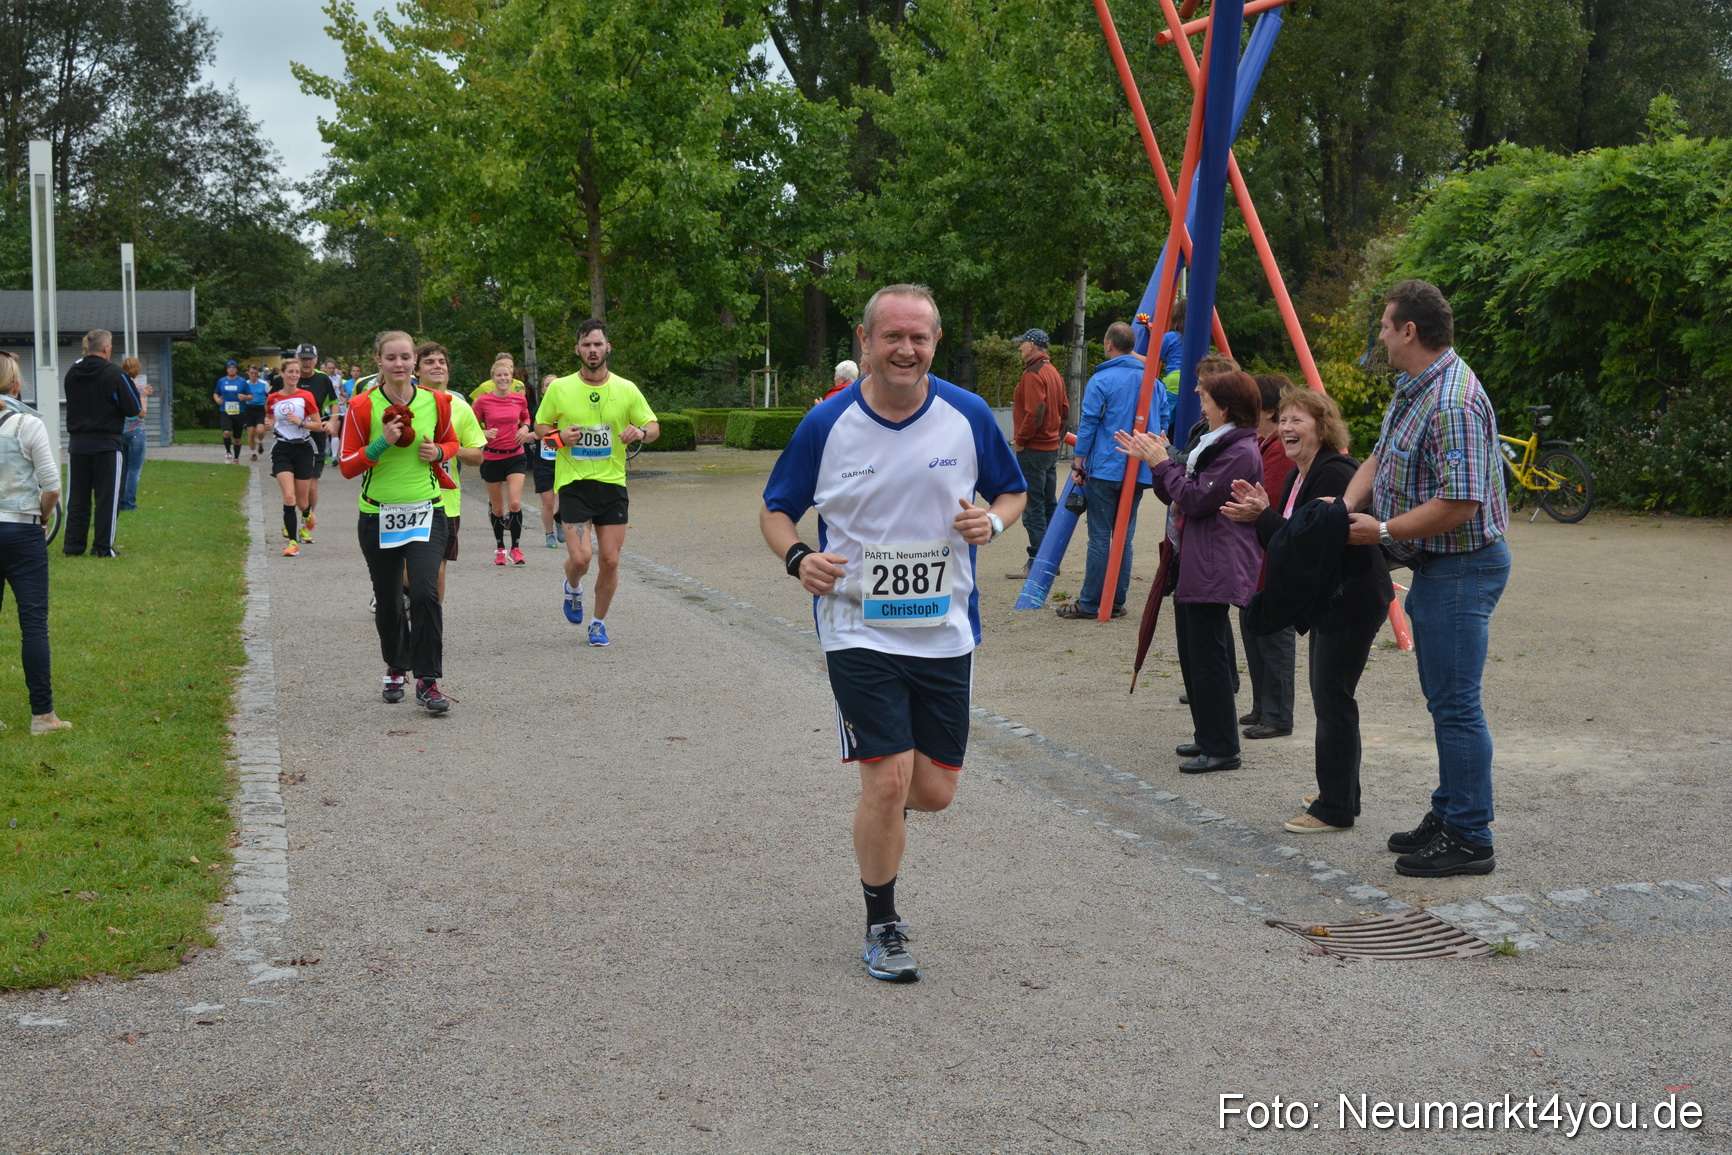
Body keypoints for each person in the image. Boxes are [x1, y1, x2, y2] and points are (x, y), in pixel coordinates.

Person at [760, 284, 1027, 984]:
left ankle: (887, 797)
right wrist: (798, 558)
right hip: (857, 626)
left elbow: (1013, 491)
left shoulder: (967, 414)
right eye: (892, 337)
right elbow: (776, 509)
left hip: (945, 630)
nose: (905, 349)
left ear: (935, 342)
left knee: (933, 790)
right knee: (886, 779)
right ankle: (883, 921)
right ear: (865, 340)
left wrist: (991, 524)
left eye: (919, 337)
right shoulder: (827, 423)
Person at [1343, 279, 1510, 877]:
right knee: (1447, 702)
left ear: (1409, 331)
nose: (1382, 336)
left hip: (1461, 567)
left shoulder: (1452, 401)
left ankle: (1470, 837)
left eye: (1386, 326)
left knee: (1457, 705)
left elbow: (1460, 504)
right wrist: (1341, 507)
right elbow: (1381, 455)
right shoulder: (1416, 390)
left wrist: (1381, 531)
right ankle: (1450, 812)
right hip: (1440, 566)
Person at [1224, 389, 1392, 833]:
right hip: (1334, 601)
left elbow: (1307, 546)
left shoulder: (1334, 474)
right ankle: (1342, 794)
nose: (1286, 428)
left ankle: (1334, 808)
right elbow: (1287, 544)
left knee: (1332, 699)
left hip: (1351, 600)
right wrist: (1261, 516)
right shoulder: (1300, 476)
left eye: (1298, 420)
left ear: (1322, 426)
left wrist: (1263, 516)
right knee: (1332, 698)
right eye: (1283, 420)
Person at [1115, 370, 1263, 773]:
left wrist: (1162, 462)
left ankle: (1223, 747)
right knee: (1192, 653)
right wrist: (1156, 460)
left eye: (1206, 394)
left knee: (1208, 657)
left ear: (1225, 406)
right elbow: (1177, 490)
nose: (1199, 397)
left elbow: (1195, 499)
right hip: (1196, 558)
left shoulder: (1239, 450)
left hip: (1214, 561)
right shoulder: (1212, 442)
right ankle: (1207, 736)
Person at [338, 330, 460, 713]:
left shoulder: (437, 402)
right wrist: (381, 444)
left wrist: (439, 450)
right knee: (390, 601)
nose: (400, 364)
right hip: (378, 515)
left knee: (425, 593)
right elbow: (345, 466)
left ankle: (428, 680)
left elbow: (452, 443)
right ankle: (395, 666)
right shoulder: (361, 406)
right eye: (391, 358)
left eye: (406, 357)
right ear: (379, 361)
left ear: (414, 361)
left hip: (426, 511)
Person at [534, 320, 659, 647]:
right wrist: (559, 437)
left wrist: (641, 432)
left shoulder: (626, 388)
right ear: (578, 349)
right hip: (574, 484)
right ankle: (572, 587)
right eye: (586, 345)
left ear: (607, 348)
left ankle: (598, 623)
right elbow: (540, 429)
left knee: (611, 560)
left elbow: (653, 426)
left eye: (598, 344)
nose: (592, 350)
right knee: (580, 559)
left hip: (612, 486)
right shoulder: (560, 388)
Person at [1057, 321, 1162, 620]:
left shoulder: (1102, 380)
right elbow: (1164, 417)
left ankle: (1091, 601)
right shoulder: (1152, 381)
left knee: (1100, 536)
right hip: (1140, 466)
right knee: (1124, 537)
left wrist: (1079, 461)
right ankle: (1116, 599)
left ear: (1108, 344)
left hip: (1107, 465)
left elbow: (1089, 423)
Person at [0, 352, 70, 733]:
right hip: (22, 529)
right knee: (33, 625)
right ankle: (42, 714)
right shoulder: (27, 424)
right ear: (15, 384)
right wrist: (41, 517)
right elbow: (52, 487)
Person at [1235, 374, 1298, 739]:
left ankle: (1277, 714)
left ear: (1268, 411)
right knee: (1254, 630)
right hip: (1255, 560)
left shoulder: (1278, 452)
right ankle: (1262, 706)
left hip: (1270, 559)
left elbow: (1268, 505)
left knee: (1273, 636)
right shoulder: (1266, 446)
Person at [416, 341, 487, 599]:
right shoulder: (403, 407)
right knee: (404, 568)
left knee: (437, 568)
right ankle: (394, 589)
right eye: (429, 362)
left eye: (441, 362)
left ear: (448, 370)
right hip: (404, 499)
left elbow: (477, 456)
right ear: (416, 370)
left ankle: (431, 628)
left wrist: (447, 449)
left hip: (446, 502)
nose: (437, 366)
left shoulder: (461, 408)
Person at [61, 330, 141, 558]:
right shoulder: (115, 374)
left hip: (78, 443)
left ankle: (73, 547)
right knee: (107, 498)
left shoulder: (72, 372)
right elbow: (133, 407)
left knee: (78, 497)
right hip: (107, 443)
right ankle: (103, 548)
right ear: (106, 348)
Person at [1005, 327, 1068, 580]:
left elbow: (1035, 411)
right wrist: (1055, 436)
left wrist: (1020, 440)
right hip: (1050, 448)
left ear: (1031, 345)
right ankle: (1051, 560)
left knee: (1033, 508)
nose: (1019, 347)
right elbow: (1064, 411)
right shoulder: (1053, 372)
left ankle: (1038, 563)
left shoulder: (1032, 374)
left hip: (1033, 449)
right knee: (1049, 505)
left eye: (1022, 343)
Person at [473, 354, 536, 564]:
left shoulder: (519, 398)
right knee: (498, 508)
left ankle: (516, 549)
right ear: (493, 378)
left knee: (515, 502)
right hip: (492, 457)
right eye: (499, 375)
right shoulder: (483, 401)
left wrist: (526, 427)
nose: (503, 378)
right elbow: (470, 425)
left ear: (512, 377)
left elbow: (526, 416)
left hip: (515, 456)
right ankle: (500, 548)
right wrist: (482, 433)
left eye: (506, 375)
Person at [266, 358, 323, 557]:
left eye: (297, 372)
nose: (294, 375)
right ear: (282, 374)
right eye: (290, 371)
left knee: (301, 502)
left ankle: (306, 513)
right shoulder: (272, 398)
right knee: (288, 497)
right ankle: (292, 542)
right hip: (281, 448)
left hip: (303, 449)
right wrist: (268, 422)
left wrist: (300, 422)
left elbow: (318, 425)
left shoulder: (306, 396)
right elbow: (271, 418)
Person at [290, 344, 338, 531]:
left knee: (310, 487)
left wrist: (332, 422)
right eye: (303, 358)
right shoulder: (286, 378)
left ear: (316, 360)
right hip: (290, 439)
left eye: (310, 358)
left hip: (315, 438)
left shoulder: (323, 379)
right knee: (293, 487)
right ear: (296, 358)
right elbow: (272, 403)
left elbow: (334, 404)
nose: (306, 362)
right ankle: (290, 519)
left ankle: (306, 522)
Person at [117, 359, 154, 511]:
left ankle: (120, 501)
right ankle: (129, 503)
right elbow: (142, 413)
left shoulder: (119, 389)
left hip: (121, 432)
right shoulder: (136, 389)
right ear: (137, 371)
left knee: (124, 469)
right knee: (134, 469)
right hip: (136, 433)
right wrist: (144, 396)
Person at [533, 373, 562, 548]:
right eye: (547, 385)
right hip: (543, 462)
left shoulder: (567, 409)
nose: (551, 388)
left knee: (566, 500)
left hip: (564, 462)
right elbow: (529, 431)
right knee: (548, 501)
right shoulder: (537, 411)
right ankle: (549, 533)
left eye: (555, 385)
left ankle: (560, 521)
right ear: (543, 390)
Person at [213, 361, 249, 463]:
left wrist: (245, 397)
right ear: (227, 369)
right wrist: (217, 400)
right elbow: (216, 393)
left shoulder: (242, 382)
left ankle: (236, 458)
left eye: (233, 367)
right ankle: (228, 452)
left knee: (237, 438)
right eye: (230, 367)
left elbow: (250, 396)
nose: (231, 369)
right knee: (227, 432)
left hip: (239, 412)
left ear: (236, 369)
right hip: (225, 411)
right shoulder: (221, 381)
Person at [242, 366, 269, 461]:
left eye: (255, 373)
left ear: (258, 374)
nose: (254, 375)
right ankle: (253, 453)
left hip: (260, 409)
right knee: (251, 433)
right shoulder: (245, 384)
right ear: (248, 373)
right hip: (249, 409)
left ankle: (260, 442)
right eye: (252, 373)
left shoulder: (264, 384)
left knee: (261, 431)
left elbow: (269, 397)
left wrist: (268, 411)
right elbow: (241, 395)